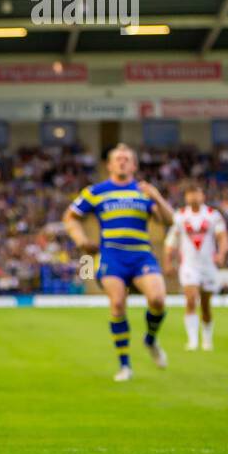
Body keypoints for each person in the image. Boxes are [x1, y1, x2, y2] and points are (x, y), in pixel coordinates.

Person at [63, 143, 175, 381]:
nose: (122, 162)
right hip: (111, 256)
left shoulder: (144, 191)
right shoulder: (96, 191)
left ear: (134, 165)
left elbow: (169, 221)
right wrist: (81, 239)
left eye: (127, 159)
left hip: (141, 254)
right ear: (109, 165)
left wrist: (157, 196)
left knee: (157, 299)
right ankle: (125, 365)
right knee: (117, 304)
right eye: (118, 158)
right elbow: (70, 217)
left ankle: (151, 339)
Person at [165, 182, 228, 351]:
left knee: (206, 304)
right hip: (189, 265)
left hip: (208, 266)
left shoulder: (212, 215)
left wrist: (222, 254)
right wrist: (168, 260)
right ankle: (193, 340)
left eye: (197, 193)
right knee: (191, 298)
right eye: (190, 193)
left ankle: (207, 339)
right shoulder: (179, 216)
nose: (194, 197)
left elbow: (222, 237)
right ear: (186, 197)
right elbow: (172, 240)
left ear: (203, 196)